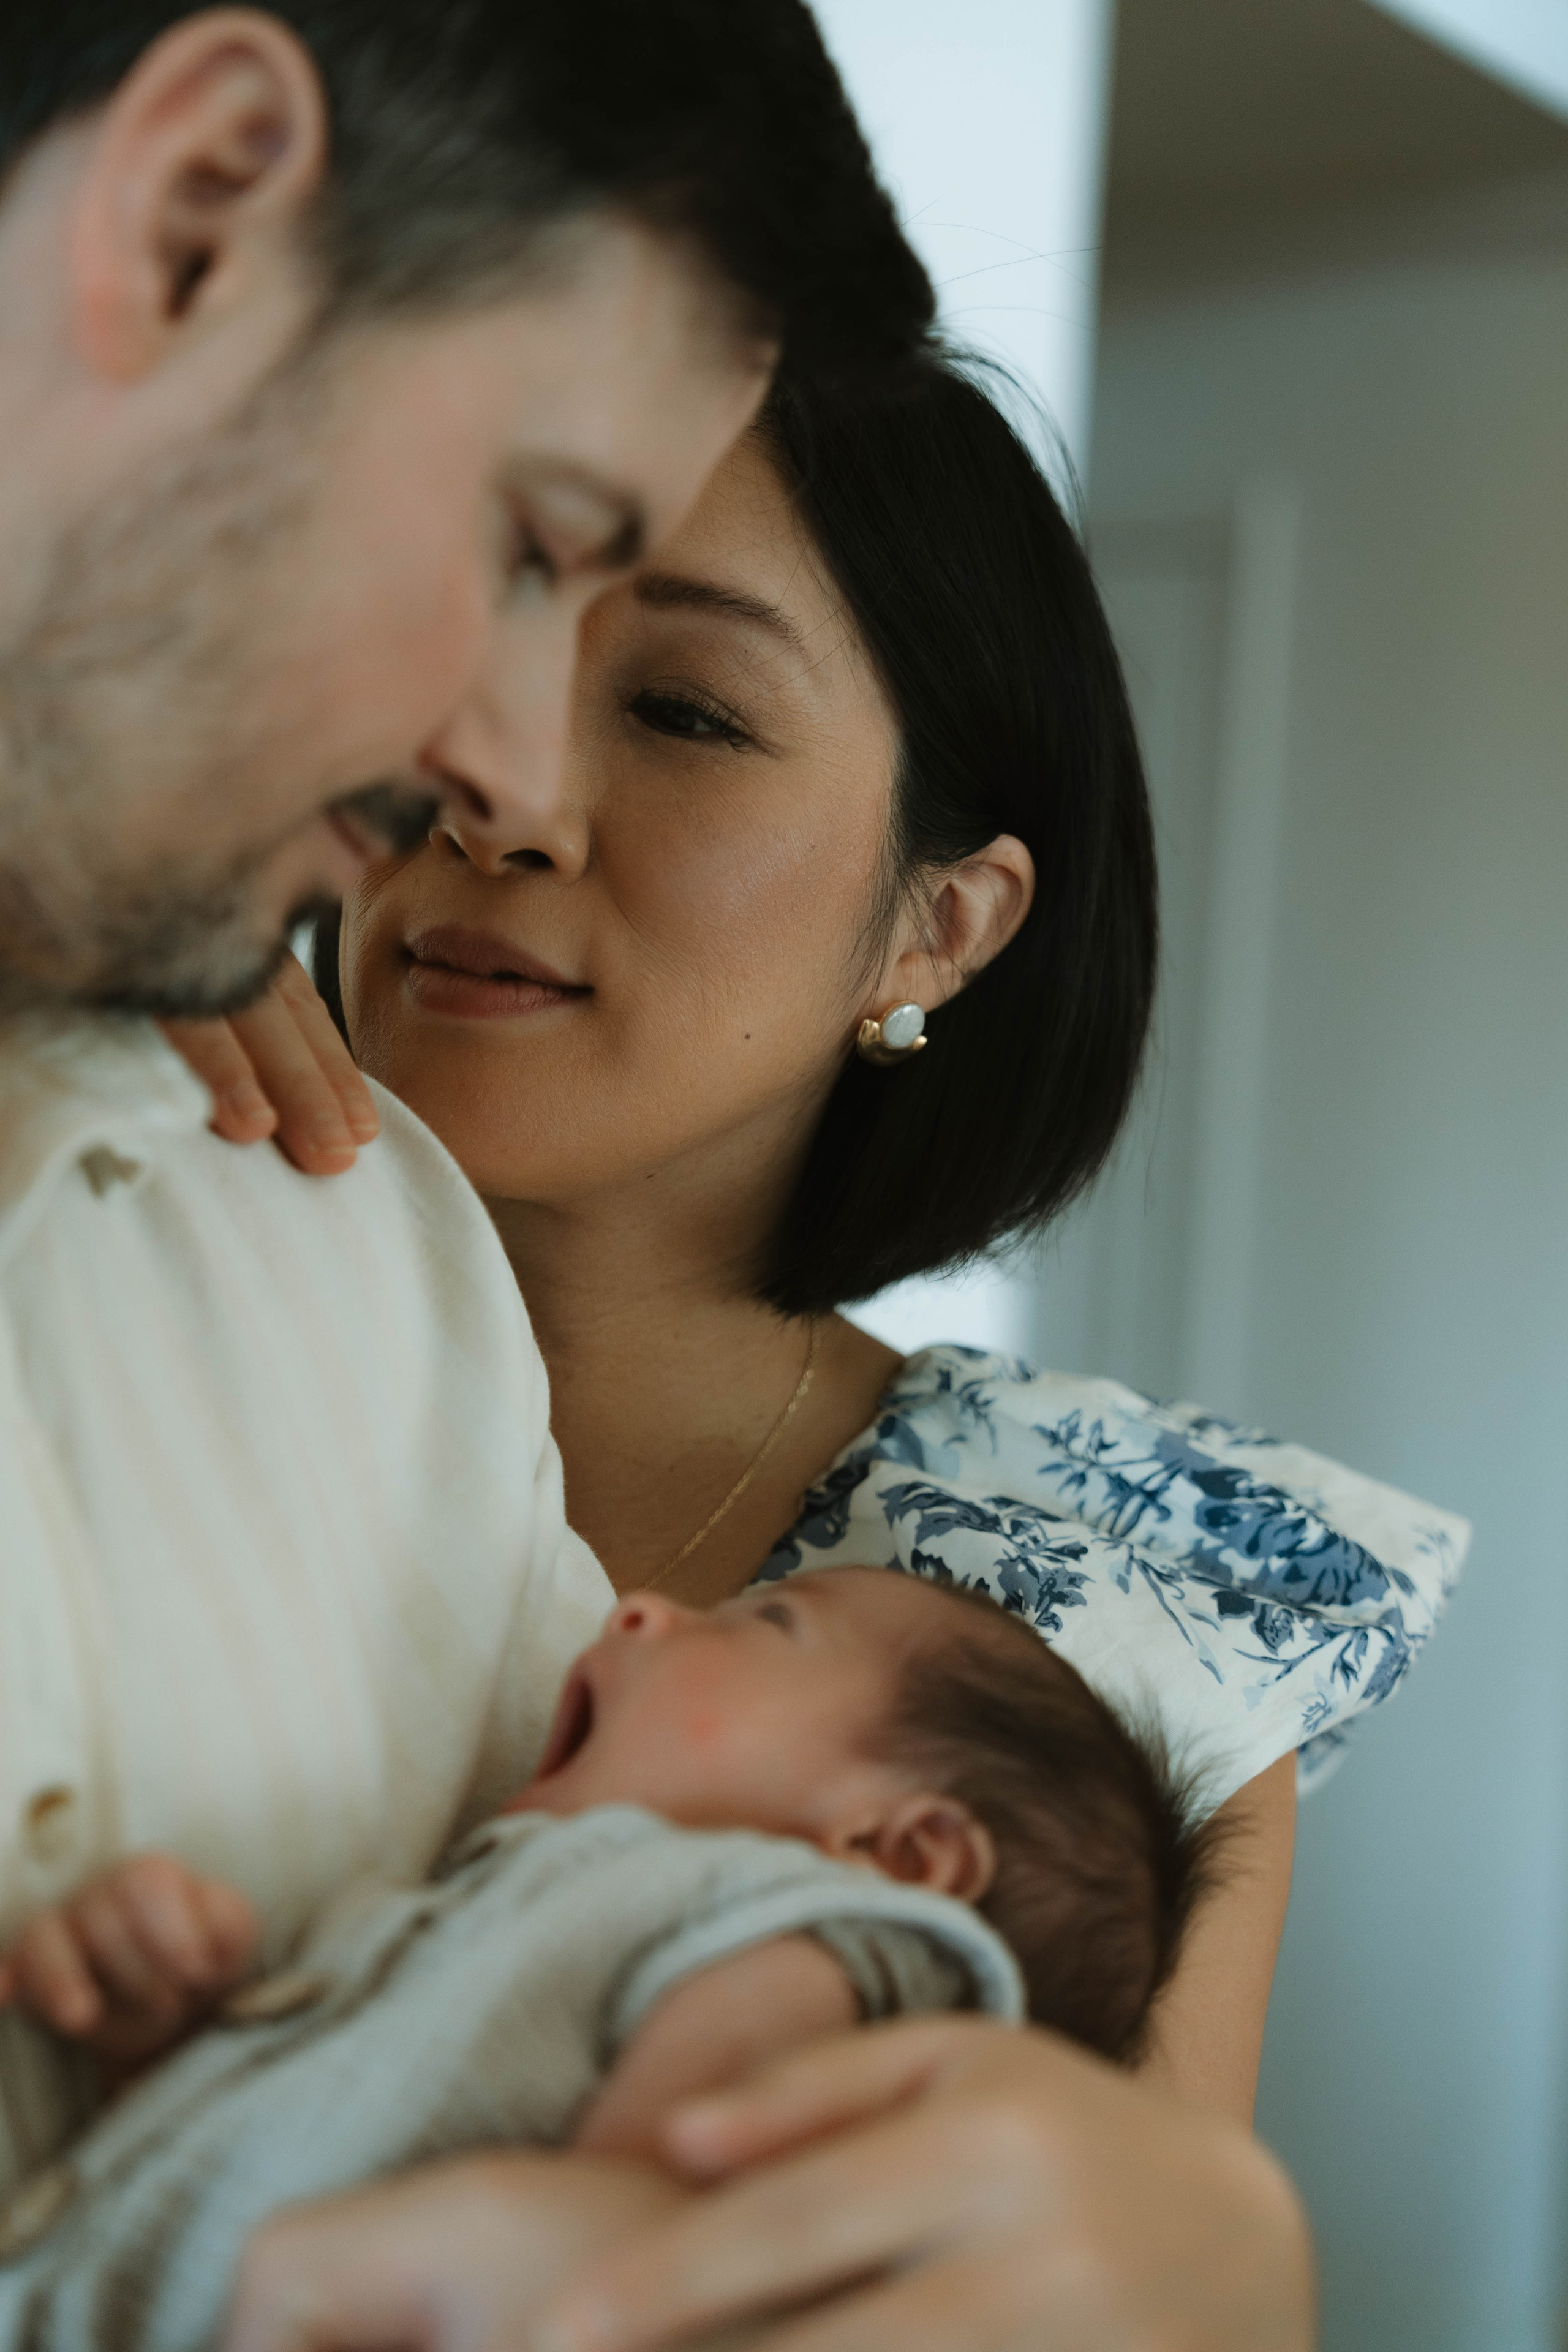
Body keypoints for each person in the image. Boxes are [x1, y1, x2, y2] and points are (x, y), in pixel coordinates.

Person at [170, 355, 1469, 2351]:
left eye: (682, 709)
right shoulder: (99, 1244)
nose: (498, 785)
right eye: (457, 649)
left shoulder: (1104, 1604)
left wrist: (1236, 2254)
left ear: (937, 931)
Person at [0, 1569, 1221, 2351]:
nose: (639, 1605)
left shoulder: (798, 1923)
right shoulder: (481, 1910)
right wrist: (162, 2032)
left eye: (770, 1621)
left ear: (902, 1854)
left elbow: (664, 2216)